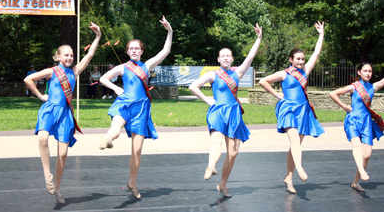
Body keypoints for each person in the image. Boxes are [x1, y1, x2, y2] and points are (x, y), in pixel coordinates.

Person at [24, 22, 101, 204]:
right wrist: (40, 95)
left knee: (63, 153)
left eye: (72, 55)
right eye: (66, 55)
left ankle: (57, 188)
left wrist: (97, 36)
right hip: (50, 110)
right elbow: (28, 79)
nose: (70, 57)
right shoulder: (52, 71)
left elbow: (89, 55)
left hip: (65, 114)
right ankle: (47, 174)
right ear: (58, 56)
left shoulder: (74, 72)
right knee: (42, 138)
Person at [98, 16, 172, 199]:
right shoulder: (122, 67)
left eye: (137, 48)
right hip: (124, 103)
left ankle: (132, 182)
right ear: (127, 51)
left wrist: (169, 31)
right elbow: (103, 78)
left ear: (141, 51)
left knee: (137, 150)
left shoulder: (147, 65)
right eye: (131, 48)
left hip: (141, 109)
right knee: (115, 127)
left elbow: (165, 51)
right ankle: (107, 139)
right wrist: (116, 88)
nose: (134, 51)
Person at [189, 23, 262, 198]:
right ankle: (211, 166)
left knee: (233, 153)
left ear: (232, 59)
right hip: (217, 111)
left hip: (234, 113)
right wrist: (207, 100)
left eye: (229, 56)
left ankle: (222, 184)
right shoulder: (213, 74)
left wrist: (258, 38)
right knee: (216, 141)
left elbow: (251, 56)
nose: (226, 58)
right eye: (223, 56)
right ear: (219, 59)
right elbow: (193, 86)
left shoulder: (238, 73)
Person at [329, 45, 384, 192]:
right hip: (353, 120)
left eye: (370, 71)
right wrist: (344, 106)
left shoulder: (373, 87)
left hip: (366, 122)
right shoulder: (354, 86)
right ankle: (362, 170)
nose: (368, 73)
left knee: (367, 154)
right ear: (359, 72)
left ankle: (355, 182)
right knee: (356, 146)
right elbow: (333, 94)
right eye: (365, 71)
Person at [258, 21, 325, 194]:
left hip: (303, 111)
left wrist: (321, 34)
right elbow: (262, 81)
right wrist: (277, 94)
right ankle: (300, 168)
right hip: (288, 109)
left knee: (295, 145)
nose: (301, 61)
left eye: (303, 59)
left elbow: (317, 53)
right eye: (298, 59)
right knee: (295, 141)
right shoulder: (284, 74)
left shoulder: (306, 71)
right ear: (291, 60)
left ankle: (289, 177)